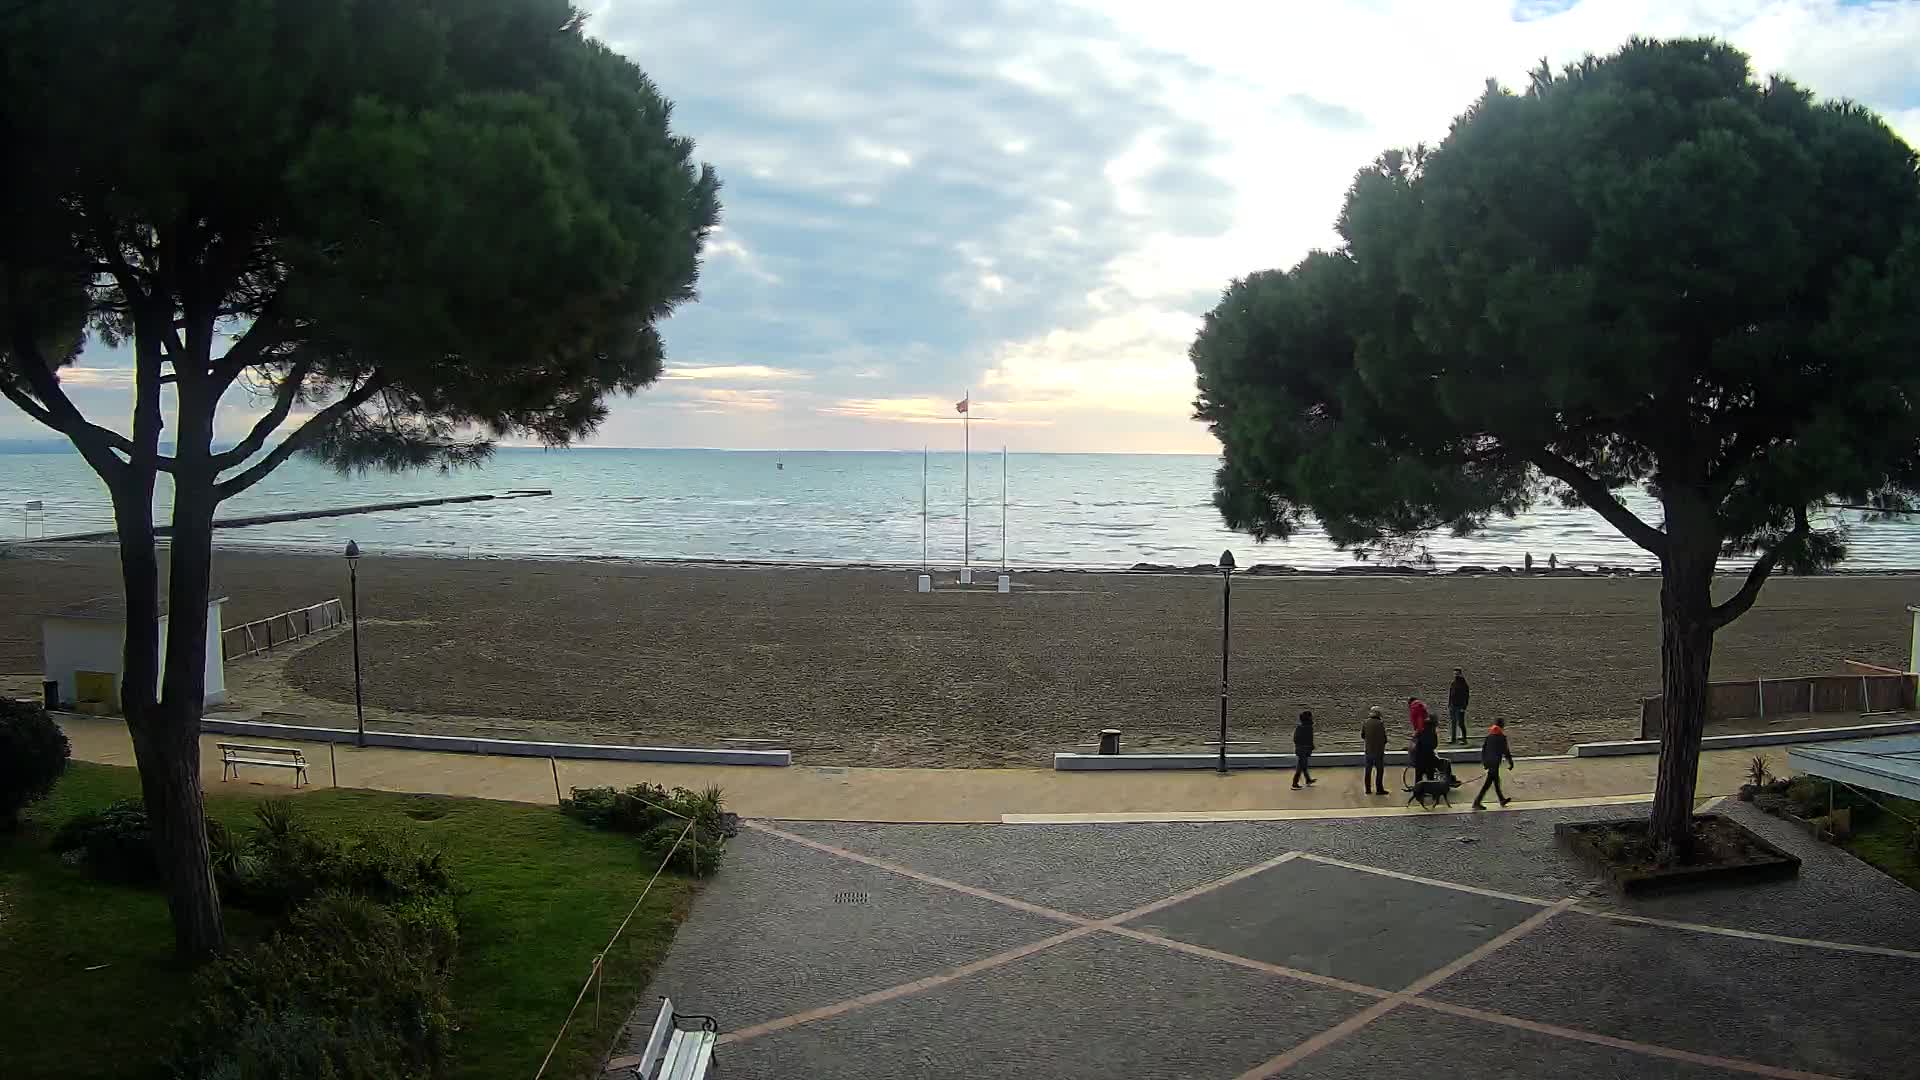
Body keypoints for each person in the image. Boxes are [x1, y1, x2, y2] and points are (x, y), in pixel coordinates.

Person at [1474, 723, 1516, 809]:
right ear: (1502, 726)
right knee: (1488, 784)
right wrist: (1511, 762)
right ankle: (1477, 802)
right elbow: (1506, 751)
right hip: (1495, 763)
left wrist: (1485, 763)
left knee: (1495, 782)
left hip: (1489, 763)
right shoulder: (1501, 737)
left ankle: (1501, 800)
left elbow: (1484, 750)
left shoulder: (1489, 736)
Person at [1361, 706, 1388, 795]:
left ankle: (1368, 789)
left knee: (1368, 771)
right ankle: (1379, 789)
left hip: (1368, 751)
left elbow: (1362, 735)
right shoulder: (1380, 723)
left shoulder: (1365, 722)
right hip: (1378, 752)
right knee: (1379, 771)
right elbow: (1384, 738)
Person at [1291, 709, 1316, 789]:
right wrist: (1310, 746)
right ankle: (1295, 783)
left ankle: (1308, 780)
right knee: (1300, 767)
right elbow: (1309, 739)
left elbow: (1295, 739)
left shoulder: (1301, 727)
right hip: (1303, 750)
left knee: (1303, 766)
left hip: (1301, 749)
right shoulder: (1308, 728)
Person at [1412, 712, 1440, 782]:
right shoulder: (1432, 730)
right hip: (1428, 757)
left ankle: (1418, 791)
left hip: (1419, 756)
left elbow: (1415, 739)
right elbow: (1434, 744)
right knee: (1430, 778)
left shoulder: (1421, 727)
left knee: (1418, 778)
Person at [1447, 668, 1470, 744]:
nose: (1456, 675)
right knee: (1453, 723)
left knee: (1460, 723)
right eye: (1455, 674)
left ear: (1460, 674)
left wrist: (1464, 707)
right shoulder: (1453, 683)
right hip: (1453, 706)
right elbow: (1451, 694)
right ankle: (1453, 739)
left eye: (1457, 674)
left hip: (1460, 706)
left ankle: (1464, 739)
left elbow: (1466, 696)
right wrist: (1449, 704)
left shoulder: (1463, 684)